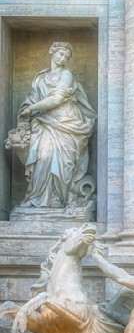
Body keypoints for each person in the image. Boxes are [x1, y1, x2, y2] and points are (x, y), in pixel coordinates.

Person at [14, 42, 96, 213]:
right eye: (60, 54)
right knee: (43, 157)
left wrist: (31, 108)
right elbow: (32, 98)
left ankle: (58, 198)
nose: (62, 58)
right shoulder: (40, 77)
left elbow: (57, 99)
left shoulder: (66, 74)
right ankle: (36, 197)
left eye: (66, 57)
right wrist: (27, 109)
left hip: (66, 121)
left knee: (63, 161)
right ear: (52, 52)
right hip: (44, 121)